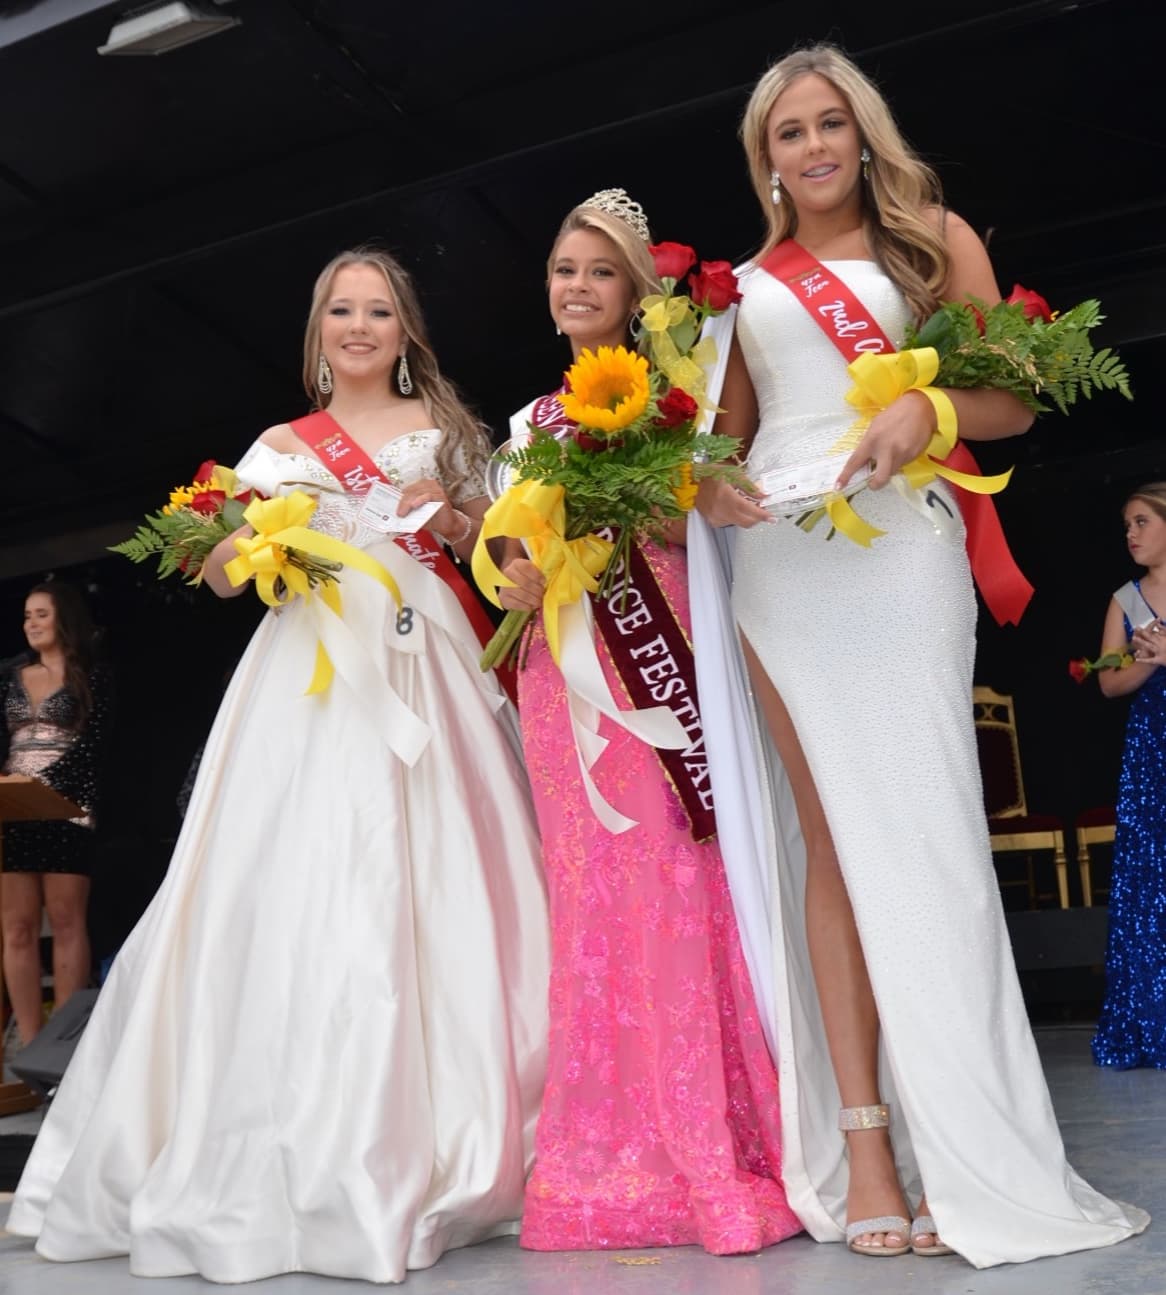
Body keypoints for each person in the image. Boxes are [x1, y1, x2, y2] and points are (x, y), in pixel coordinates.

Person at [8, 248, 550, 1284]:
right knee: (291, 878)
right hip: (305, 676)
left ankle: (471, 1132)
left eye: (378, 310)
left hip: (420, 653)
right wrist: (241, 543)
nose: (358, 326)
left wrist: (460, 518)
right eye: (341, 310)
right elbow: (214, 579)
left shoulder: (443, 437)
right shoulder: (271, 448)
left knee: (447, 877)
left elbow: (495, 547)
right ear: (317, 331)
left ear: (405, 329)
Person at [691, 44, 1149, 1267]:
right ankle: (874, 1151)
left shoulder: (930, 241)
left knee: (929, 835)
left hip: (902, 551)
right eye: (787, 133)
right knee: (831, 845)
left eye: (830, 122)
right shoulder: (740, 289)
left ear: (864, 131)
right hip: (783, 569)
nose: (813, 146)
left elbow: (1012, 400)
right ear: (765, 160)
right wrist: (709, 482)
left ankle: (973, 1149)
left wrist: (926, 410)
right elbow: (723, 443)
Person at [495, 191, 800, 1255]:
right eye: (561, 270)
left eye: (597, 271)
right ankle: (599, 1152)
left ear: (633, 292)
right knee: (589, 896)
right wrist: (514, 567)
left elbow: (688, 513)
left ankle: (710, 1148)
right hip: (560, 676)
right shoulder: (529, 423)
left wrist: (625, 493)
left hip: (655, 661)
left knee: (678, 878)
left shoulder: (673, 400)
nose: (575, 287)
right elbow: (501, 545)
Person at [1, 581, 107, 1051]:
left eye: (41, 614)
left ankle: (62, 1047)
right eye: (26, 616)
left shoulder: (92, 675)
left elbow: (95, 743)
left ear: (63, 618)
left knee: (66, 920)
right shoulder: (8, 674)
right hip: (14, 809)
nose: (32, 624)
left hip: (68, 808)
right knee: (17, 926)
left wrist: (50, 787)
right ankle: (29, 1043)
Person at [1090, 483, 1166, 1069]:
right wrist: (1146, 663)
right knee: (1150, 881)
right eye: (1126, 525)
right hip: (1152, 752)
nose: (1131, 534)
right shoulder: (1126, 600)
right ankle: (1148, 1020)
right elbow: (1109, 683)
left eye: (1141, 521)